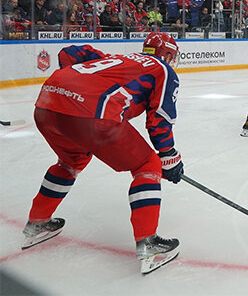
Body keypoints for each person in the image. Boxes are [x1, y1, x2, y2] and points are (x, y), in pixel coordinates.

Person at [23, 33, 183, 274]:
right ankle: (149, 243)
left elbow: (69, 52)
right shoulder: (163, 69)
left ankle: (37, 222)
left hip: (46, 104)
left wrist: (75, 87)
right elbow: (159, 119)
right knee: (147, 164)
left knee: (71, 160)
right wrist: (168, 156)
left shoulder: (118, 57)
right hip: (90, 115)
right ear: (168, 55)